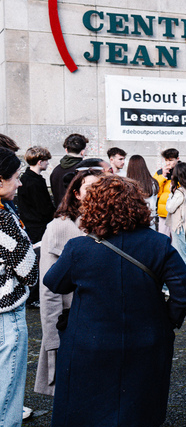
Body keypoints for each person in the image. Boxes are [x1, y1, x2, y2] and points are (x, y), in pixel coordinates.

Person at [44, 175, 186, 427]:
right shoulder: (157, 244)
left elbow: (54, 282)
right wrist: (166, 320)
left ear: (93, 207)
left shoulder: (80, 248)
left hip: (90, 347)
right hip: (145, 345)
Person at [35, 168, 103, 400]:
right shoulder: (60, 228)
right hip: (71, 321)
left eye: (100, 188)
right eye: (89, 188)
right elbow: (49, 289)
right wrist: (52, 339)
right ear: (76, 194)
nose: (96, 193)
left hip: (102, 321)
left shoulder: (109, 224)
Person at [0, 148, 40, 427]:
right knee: (4, 408)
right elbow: (29, 268)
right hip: (5, 317)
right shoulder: (5, 220)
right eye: (14, 176)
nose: (20, 182)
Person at [17, 147, 55, 307]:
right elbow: (43, 208)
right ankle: (33, 297)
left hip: (31, 225)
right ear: (40, 162)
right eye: (46, 161)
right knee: (39, 261)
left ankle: (32, 296)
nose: (47, 163)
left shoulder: (27, 178)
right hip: (38, 226)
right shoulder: (34, 181)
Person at [165, 161, 186, 269]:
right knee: (184, 254)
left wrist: (170, 194)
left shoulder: (180, 192)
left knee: (182, 255)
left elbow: (169, 208)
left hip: (179, 227)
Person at [49, 133, 88, 206]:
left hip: (60, 213)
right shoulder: (83, 171)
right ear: (82, 152)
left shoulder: (56, 170)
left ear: (66, 150)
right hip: (78, 213)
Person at [126, 155, 159, 226]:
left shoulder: (129, 184)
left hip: (134, 221)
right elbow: (154, 201)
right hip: (151, 219)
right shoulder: (153, 183)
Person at [153, 148, 180, 235]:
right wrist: (163, 176)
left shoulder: (185, 171)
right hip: (163, 212)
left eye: (171, 160)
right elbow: (154, 191)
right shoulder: (160, 172)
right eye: (166, 160)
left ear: (177, 159)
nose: (168, 163)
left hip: (178, 213)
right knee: (163, 237)